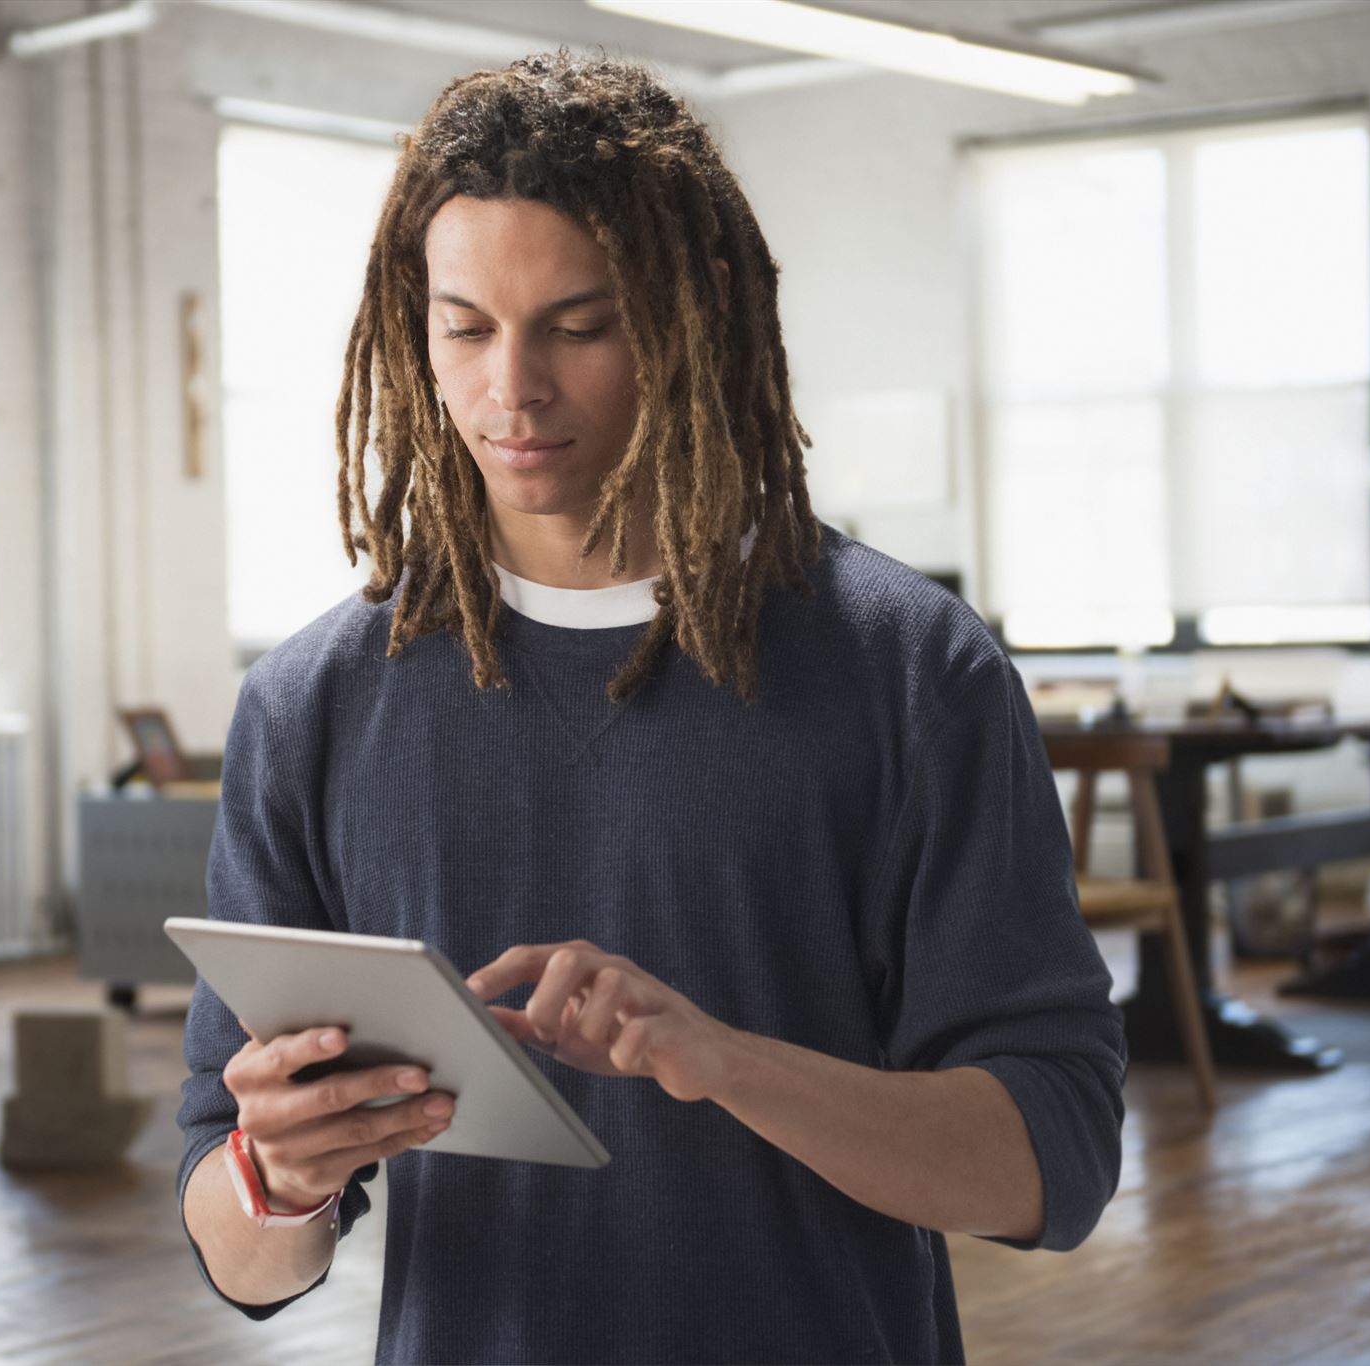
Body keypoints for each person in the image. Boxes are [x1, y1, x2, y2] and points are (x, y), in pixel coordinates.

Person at [178, 49, 1125, 1365]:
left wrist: (724, 1061)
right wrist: (279, 1174)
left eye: (579, 326)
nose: (514, 387)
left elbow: (1055, 1158)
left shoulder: (912, 670)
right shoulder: (313, 705)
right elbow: (233, 1237)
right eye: (467, 328)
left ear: (699, 307)